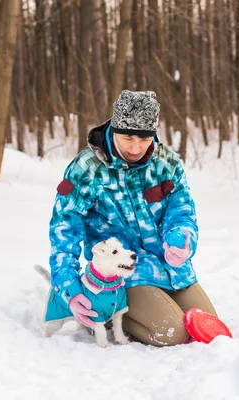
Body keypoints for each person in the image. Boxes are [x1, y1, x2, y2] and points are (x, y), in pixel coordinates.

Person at [48, 90, 217, 346]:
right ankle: (106, 315)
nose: (136, 148)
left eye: (145, 139)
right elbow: (64, 228)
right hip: (122, 275)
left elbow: (181, 210)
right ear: (115, 129)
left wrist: (181, 239)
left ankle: (155, 303)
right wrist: (69, 287)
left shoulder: (167, 163)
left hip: (169, 268)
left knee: (207, 328)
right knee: (176, 334)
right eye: (128, 137)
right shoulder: (87, 168)